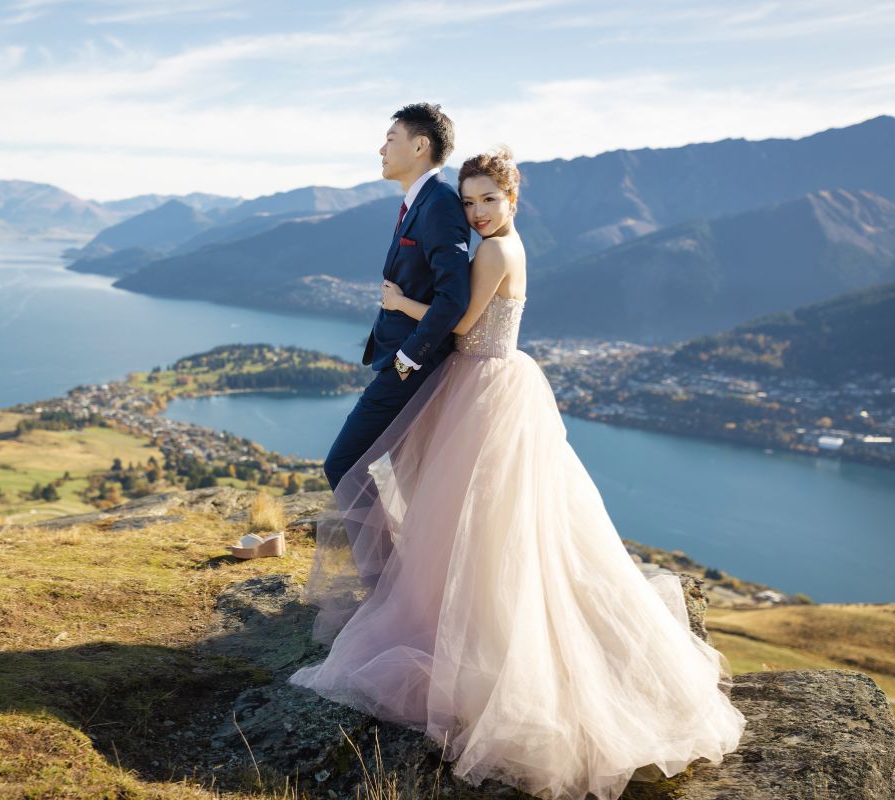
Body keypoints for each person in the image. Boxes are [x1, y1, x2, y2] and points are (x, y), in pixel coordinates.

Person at [288, 146, 747, 800]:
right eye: (469, 201)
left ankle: (482, 640)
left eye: (488, 200)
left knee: (482, 520)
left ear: (513, 199)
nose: (476, 213)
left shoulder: (499, 252)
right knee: (487, 524)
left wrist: (403, 303)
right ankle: (465, 617)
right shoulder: (503, 245)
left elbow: (463, 324)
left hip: (485, 389)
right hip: (492, 386)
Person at [322, 102, 471, 493]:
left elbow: (454, 297)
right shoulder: (418, 202)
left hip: (411, 364)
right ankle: (411, 555)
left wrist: (408, 358)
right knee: (410, 476)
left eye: (390, 139)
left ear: (421, 145)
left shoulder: (439, 203)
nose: (381, 150)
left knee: (342, 465)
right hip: (400, 360)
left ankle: (383, 558)